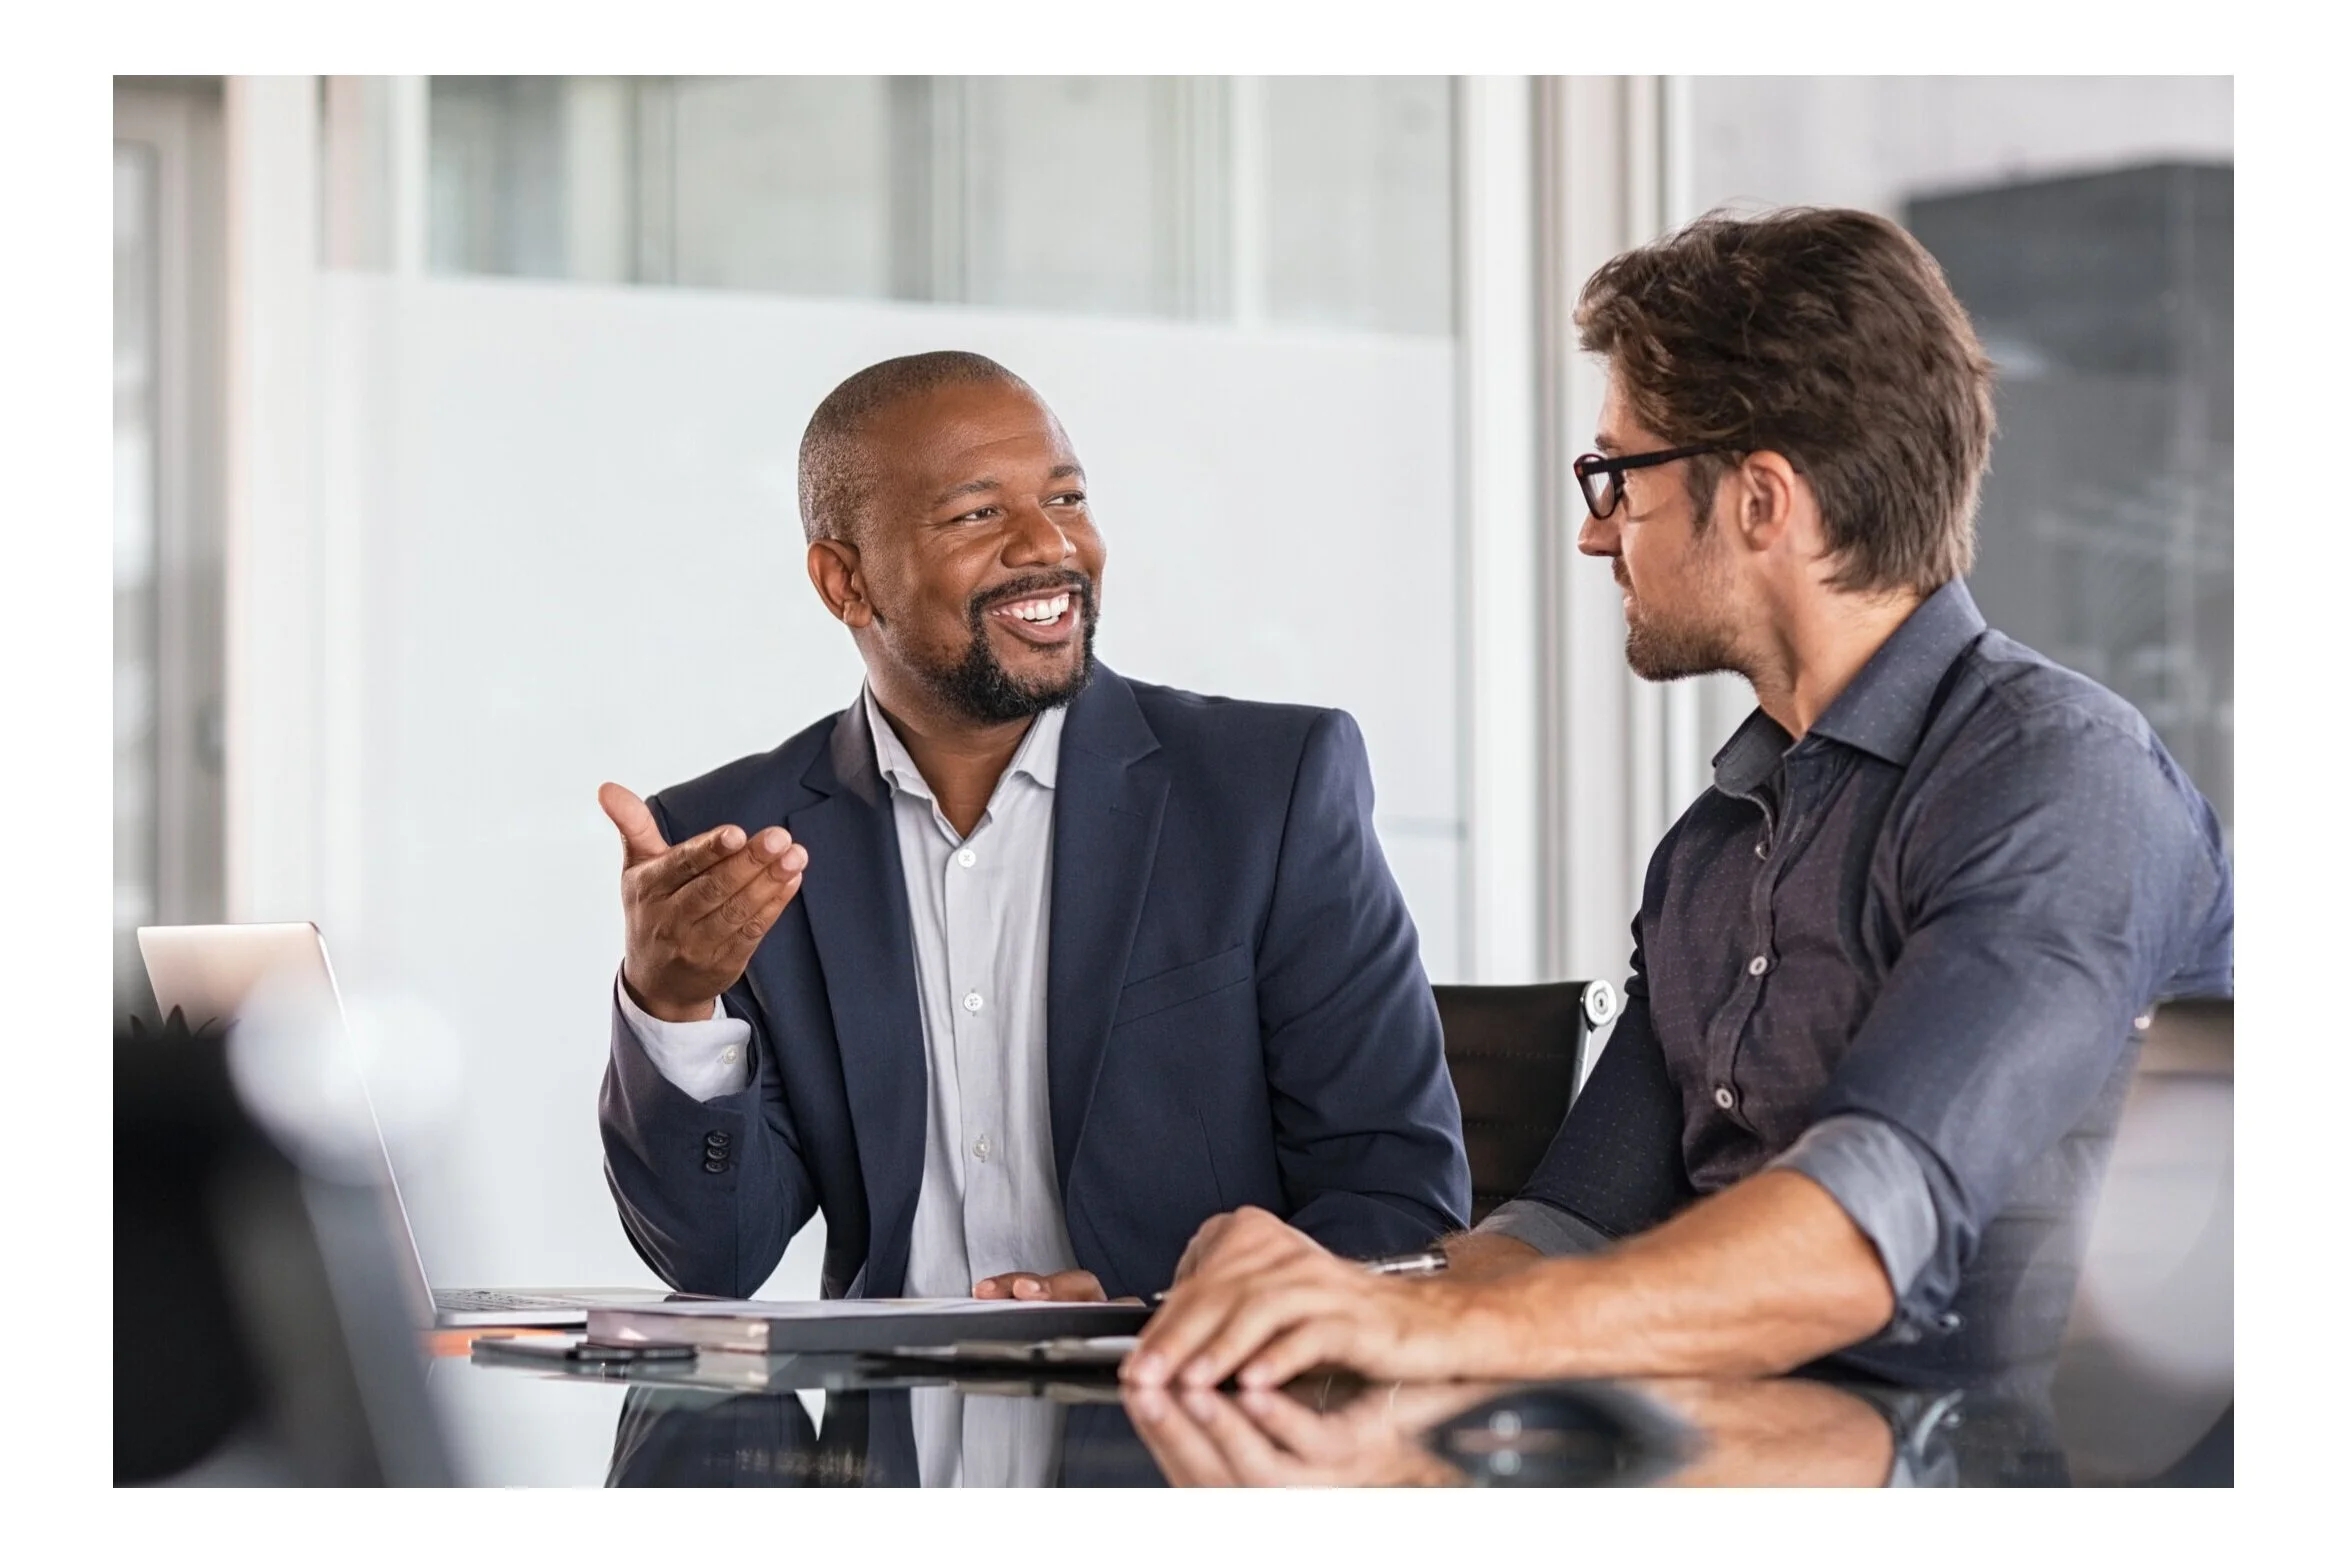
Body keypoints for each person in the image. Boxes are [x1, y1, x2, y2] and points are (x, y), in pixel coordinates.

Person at [1126, 207, 2233, 1393]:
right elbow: (1562, 1233)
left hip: (2012, 1460)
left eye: (1618, 477)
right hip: (1752, 1441)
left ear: (1760, 500)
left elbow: (1862, 1233)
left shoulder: (2057, 781)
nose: (1593, 533)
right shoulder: (1712, 849)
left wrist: (1430, 1333)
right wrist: (1314, 1300)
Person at [596, 350, 1468, 1306]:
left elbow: (1398, 1203)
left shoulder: (1268, 791)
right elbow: (715, 1259)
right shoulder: (737, 844)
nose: (1048, 543)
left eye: (1066, 498)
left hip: (1180, 1386)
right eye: (977, 513)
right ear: (845, 582)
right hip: (887, 1400)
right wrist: (671, 1005)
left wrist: (1155, 1312)